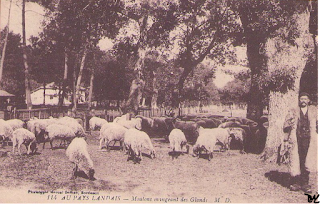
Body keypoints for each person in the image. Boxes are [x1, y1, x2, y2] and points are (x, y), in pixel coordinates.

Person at [283, 92, 318, 193]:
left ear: (308, 101)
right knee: (295, 160)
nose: (303, 101)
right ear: (299, 100)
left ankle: (305, 184)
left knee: (306, 160)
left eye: (305, 99)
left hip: (309, 139)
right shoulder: (293, 111)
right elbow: (286, 125)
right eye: (301, 99)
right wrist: (286, 139)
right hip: (296, 139)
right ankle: (296, 183)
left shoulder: (314, 111)